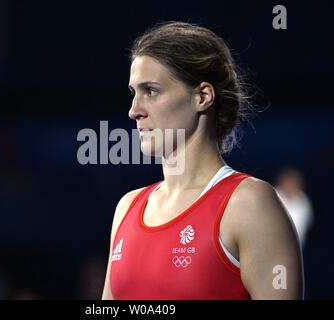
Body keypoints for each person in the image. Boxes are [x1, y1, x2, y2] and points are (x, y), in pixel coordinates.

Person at [101, 21, 303, 300]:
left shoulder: (249, 205)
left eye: (151, 91)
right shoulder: (127, 208)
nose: (134, 110)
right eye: (134, 93)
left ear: (203, 96)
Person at [275, 167, 314, 249]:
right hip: (274, 247)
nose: (291, 185)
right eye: (289, 182)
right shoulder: (273, 196)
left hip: (296, 248)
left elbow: (308, 223)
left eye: (294, 182)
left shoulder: (303, 200)